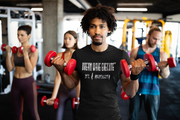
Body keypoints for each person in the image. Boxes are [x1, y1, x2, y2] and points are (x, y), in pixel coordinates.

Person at [51, 4, 146, 120]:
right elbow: (72, 84)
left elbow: (130, 93)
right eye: (93, 26)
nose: (97, 31)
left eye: (102, 26)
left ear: (109, 29)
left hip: (111, 116)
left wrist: (135, 76)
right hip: (84, 116)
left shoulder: (120, 55)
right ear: (88, 29)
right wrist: (61, 71)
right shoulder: (79, 55)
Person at [129, 26, 170, 120]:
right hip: (136, 89)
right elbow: (129, 70)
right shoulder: (135, 51)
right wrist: (125, 86)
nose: (156, 42)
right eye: (154, 38)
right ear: (148, 36)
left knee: (152, 117)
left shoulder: (162, 53)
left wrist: (164, 68)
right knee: (132, 117)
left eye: (159, 39)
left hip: (153, 90)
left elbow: (165, 75)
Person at [5, 25, 40, 120]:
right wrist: (8, 53)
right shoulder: (15, 51)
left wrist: (25, 54)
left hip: (28, 83)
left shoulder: (33, 51)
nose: (19, 37)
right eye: (18, 35)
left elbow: (30, 70)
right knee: (17, 114)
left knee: (33, 113)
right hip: (16, 83)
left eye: (22, 35)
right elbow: (10, 68)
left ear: (29, 36)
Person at [46, 30, 80, 120]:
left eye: (70, 39)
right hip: (63, 91)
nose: (67, 41)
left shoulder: (80, 56)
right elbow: (58, 77)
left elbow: (80, 79)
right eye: (65, 38)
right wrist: (53, 97)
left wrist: (79, 96)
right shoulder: (60, 55)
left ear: (75, 40)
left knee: (77, 117)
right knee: (57, 117)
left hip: (75, 91)